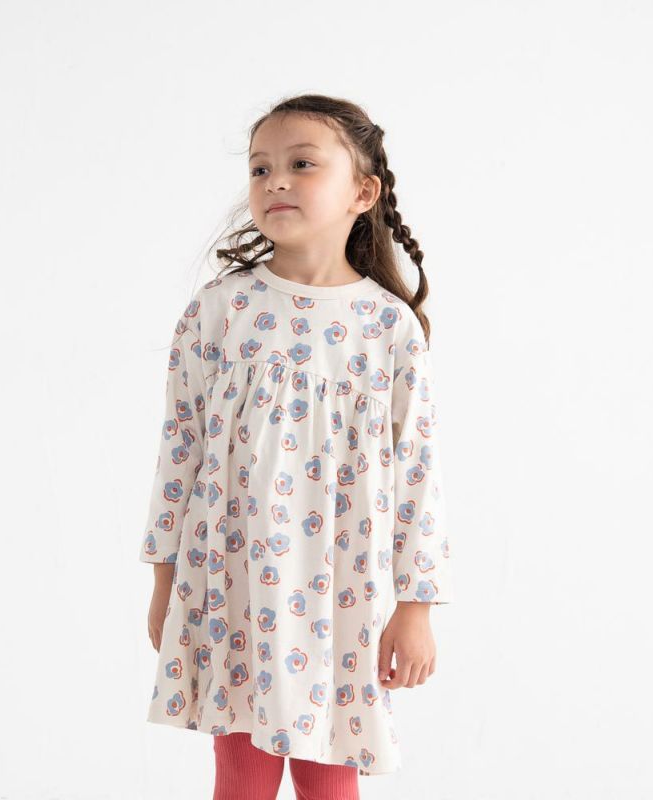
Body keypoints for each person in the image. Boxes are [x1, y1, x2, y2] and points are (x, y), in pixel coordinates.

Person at [139, 93, 453, 800]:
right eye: (260, 168)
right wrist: (164, 581)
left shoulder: (389, 328)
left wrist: (417, 606)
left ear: (363, 193)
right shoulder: (222, 310)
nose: (275, 180)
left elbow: (419, 473)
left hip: (343, 594)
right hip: (230, 582)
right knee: (240, 777)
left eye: (301, 164)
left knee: (330, 774)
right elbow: (179, 449)